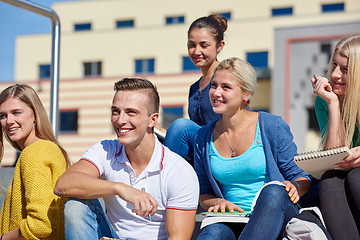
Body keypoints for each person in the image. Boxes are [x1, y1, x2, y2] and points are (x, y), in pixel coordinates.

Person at [54, 78, 199, 240]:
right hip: (111, 236)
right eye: (116, 111)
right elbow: (63, 184)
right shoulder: (105, 149)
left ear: (153, 120)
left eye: (131, 112)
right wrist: (120, 188)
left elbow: (178, 238)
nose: (120, 120)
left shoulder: (178, 171)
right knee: (76, 206)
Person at [194, 57, 311, 240]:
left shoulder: (272, 126)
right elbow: (203, 192)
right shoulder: (203, 137)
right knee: (212, 235)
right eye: (214, 85)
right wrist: (217, 201)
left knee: (273, 191)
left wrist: (295, 186)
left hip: (276, 212)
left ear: (246, 94)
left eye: (226, 87)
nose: (216, 92)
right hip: (231, 219)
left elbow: (301, 177)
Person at [0, 84, 70, 240]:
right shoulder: (49, 149)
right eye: (3, 116)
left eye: (16, 112)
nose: (9, 121)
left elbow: (40, 225)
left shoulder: (34, 153)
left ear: (35, 115)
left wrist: (3, 237)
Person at [311, 34, 360, 240]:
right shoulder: (324, 101)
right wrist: (333, 103)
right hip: (344, 175)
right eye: (334, 66)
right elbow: (333, 155)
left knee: (356, 176)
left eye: (345, 70)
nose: (335, 74)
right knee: (330, 179)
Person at [163, 14, 226, 161]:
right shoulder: (194, 88)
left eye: (204, 45)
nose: (196, 51)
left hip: (223, 148)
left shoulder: (227, 78)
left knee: (181, 126)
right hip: (202, 151)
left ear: (219, 46)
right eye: (192, 45)